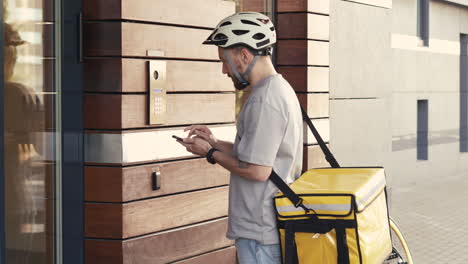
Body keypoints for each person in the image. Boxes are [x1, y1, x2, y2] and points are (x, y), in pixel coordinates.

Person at [177, 12, 303, 264]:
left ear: (244, 55)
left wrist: (209, 154)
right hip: (264, 228)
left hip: (261, 232)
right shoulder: (278, 90)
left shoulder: (266, 99)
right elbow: (259, 153)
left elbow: (257, 171)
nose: (224, 70)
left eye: (224, 60)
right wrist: (214, 142)